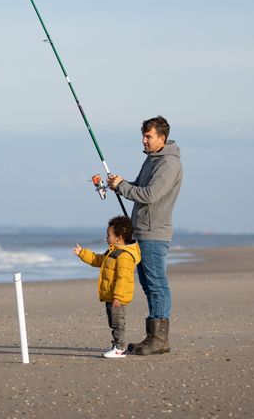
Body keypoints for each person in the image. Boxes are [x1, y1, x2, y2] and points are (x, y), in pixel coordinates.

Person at [107, 115, 182, 356]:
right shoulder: (152, 160)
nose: (144, 140)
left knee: (157, 284)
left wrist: (123, 187)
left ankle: (160, 339)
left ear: (162, 137)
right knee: (149, 286)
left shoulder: (169, 163)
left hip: (154, 232)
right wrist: (118, 183)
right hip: (141, 231)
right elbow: (137, 187)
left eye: (148, 136)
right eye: (143, 135)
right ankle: (153, 337)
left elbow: (149, 195)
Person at [73, 215, 141, 359]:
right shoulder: (112, 251)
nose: (106, 237)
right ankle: (116, 345)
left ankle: (119, 348)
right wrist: (83, 253)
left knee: (118, 322)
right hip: (110, 295)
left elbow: (123, 278)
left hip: (117, 297)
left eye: (109, 234)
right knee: (113, 321)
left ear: (119, 237)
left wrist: (118, 297)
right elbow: (98, 260)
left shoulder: (125, 256)